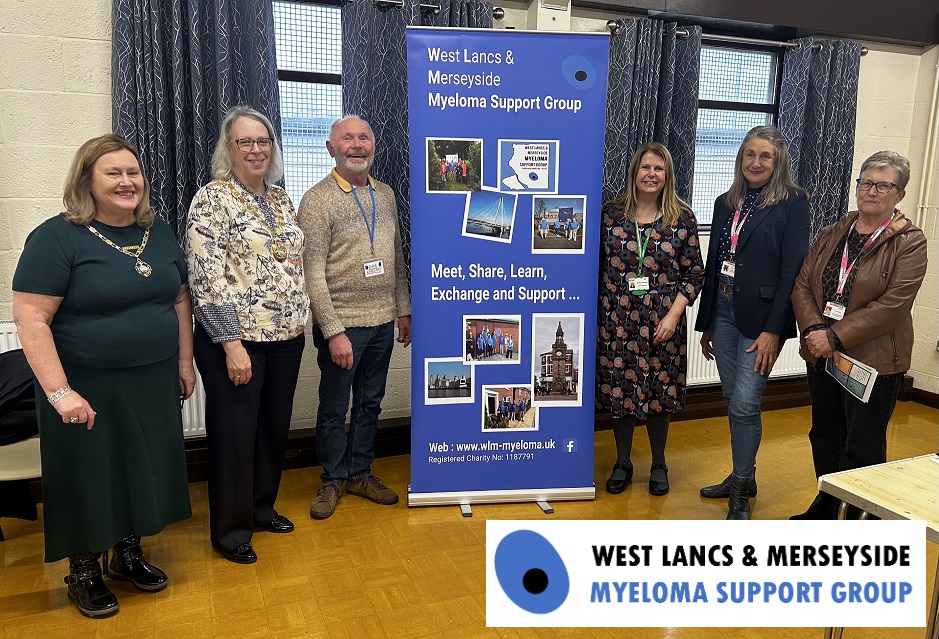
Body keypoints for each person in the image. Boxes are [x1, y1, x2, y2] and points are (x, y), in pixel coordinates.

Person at [11, 134, 193, 617]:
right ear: (86, 181)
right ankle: (84, 570)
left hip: (152, 377)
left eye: (133, 172)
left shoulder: (158, 231)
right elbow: (30, 318)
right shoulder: (56, 237)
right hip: (85, 382)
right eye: (113, 173)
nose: (126, 181)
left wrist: (183, 362)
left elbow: (179, 299)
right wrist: (60, 392)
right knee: (89, 473)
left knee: (141, 465)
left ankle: (127, 553)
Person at [186, 106, 309, 564]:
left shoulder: (280, 199)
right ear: (229, 148)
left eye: (264, 141)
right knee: (235, 435)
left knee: (272, 429)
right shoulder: (212, 199)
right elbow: (206, 277)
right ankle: (231, 531)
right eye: (245, 142)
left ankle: (261, 508)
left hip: (286, 337)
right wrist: (231, 345)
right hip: (236, 342)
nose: (256, 150)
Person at [789, 151, 927, 520]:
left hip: (873, 361)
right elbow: (803, 284)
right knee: (825, 435)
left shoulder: (910, 242)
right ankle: (827, 506)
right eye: (865, 183)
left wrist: (834, 336)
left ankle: (858, 521)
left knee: (861, 445)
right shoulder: (835, 231)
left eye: (883, 185)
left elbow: (893, 306)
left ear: (899, 194)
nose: (871, 191)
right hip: (824, 356)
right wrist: (815, 330)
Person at [298, 116, 412, 520]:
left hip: (383, 323)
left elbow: (395, 257)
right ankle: (332, 478)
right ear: (331, 148)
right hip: (343, 327)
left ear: (374, 145)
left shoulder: (386, 195)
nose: (357, 145)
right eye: (347, 138)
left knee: (370, 403)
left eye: (364, 137)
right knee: (334, 408)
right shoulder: (316, 200)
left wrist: (403, 309)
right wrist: (333, 331)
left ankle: (360, 474)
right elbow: (311, 273)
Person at [695, 125, 810, 519]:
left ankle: (740, 493)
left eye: (765, 156)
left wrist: (774, 331)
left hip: (761, 320)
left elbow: (792, 270)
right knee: (734, 400)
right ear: (740, 158)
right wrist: (708, 322)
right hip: (724, 312)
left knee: (745, 404)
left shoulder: (793, 203)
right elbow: (715, 263)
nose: (756, 163)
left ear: (778, 163)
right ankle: (743, 475)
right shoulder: (725, 202)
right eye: (750, 154)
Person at [597, 142, 704, 497]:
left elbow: (694, 273)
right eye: (646, 167)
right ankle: (622, 462)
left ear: (667, 175)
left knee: (661, 392)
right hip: (616, 323)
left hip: (663, 323)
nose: (652, 174)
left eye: (659, 168)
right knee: (620, 390)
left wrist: (674, 315)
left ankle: (659, 463)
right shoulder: (610, 215)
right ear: (634, 172)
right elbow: (593, 267)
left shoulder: (681, 218)